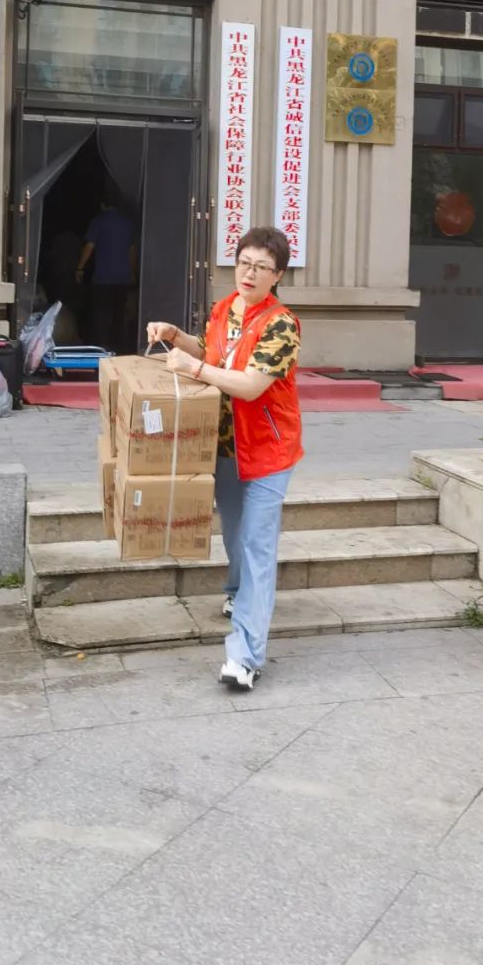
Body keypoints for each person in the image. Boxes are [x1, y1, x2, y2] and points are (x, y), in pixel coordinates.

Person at [147, 226, 302, 692]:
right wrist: (176, 337)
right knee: (236, 535)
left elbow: (250, 385)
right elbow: (212, 352)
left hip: (269, 451)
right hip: (225, 447)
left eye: (261, 267)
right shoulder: (224, 308)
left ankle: (245, 656)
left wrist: (194, 368)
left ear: (277, 276)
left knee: (256, 545)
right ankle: (239, 594)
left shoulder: (281, 324)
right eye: (244, 263)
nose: (249, 274)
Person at [77, 192, 137, 350]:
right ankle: (117, 346)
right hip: (122, 277)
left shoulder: (98, 222)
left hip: (103, 278)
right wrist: (132, 272)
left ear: (103, 205)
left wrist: (80, 268)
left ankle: (100, 346)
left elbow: (89, 246)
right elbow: (132, 250)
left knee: (101, 313)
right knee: (119, 313)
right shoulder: (127, 223)